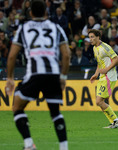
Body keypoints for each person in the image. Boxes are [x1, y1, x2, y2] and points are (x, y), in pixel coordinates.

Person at [5, 1, 71, 150]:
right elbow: (66, 55)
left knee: (17, 107)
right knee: (55, 113)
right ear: (47, 12)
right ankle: (64, 147)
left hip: (34, 74)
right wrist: (63, 77)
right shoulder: (56, 27)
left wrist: (10, 78)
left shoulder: (24, 28)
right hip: (53, 74)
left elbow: (11, 56)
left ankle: (29, 144)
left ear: (30, 13)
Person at [88, 29, 118, 129]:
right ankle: (114, 122)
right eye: (89, 37)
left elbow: (117, 59)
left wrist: (107, 69)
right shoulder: (95, 48)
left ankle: (116, 120)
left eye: (92, 37)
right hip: (102, 77)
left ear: (98, 37)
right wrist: (95, 74)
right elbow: (99, 63)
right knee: (100, 102)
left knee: (99, 101)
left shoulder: (105, 47)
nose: (91, 39)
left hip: (109, 76)